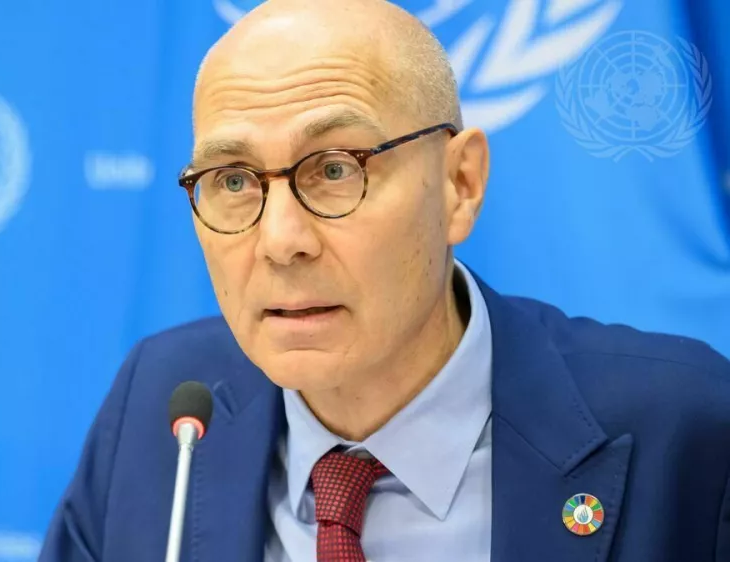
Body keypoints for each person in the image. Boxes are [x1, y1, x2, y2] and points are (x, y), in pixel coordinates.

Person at [39, 0, 730, 560]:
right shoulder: (163, 406)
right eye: (233, 180)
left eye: (336, 168)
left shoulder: (688, 427)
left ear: (460, 185)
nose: (281, 242)